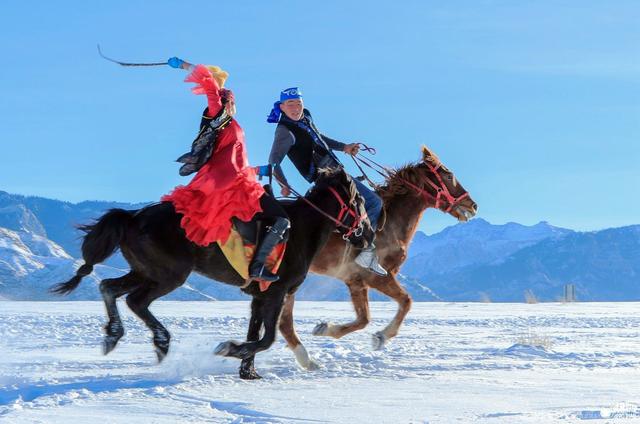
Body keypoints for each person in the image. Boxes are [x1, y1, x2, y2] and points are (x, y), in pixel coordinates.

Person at [162, 57, 289, 282]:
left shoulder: (230, 124)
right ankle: (257, 267)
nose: (234, 104)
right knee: (281, 220)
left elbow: (234, 162)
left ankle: (254, 263)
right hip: (230, 186)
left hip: (239, 180)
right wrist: (184, 65)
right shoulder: (219, 117)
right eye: (231, 100)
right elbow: (209, 83)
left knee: (274, 220)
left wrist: (260, 170)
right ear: (226, 102)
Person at [267, 87, 387, 276]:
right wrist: (283, 184)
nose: (296, 108)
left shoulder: (306, 117)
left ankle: (356, 244)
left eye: (299, 103)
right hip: (326, 180)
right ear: (282, 107)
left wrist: (344, 147)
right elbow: (273, 162)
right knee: (373, 202)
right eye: (290, 104)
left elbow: (319, 138)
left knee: (366, 203)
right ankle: (364, 250)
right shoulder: (284, 132)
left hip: (338, 174)